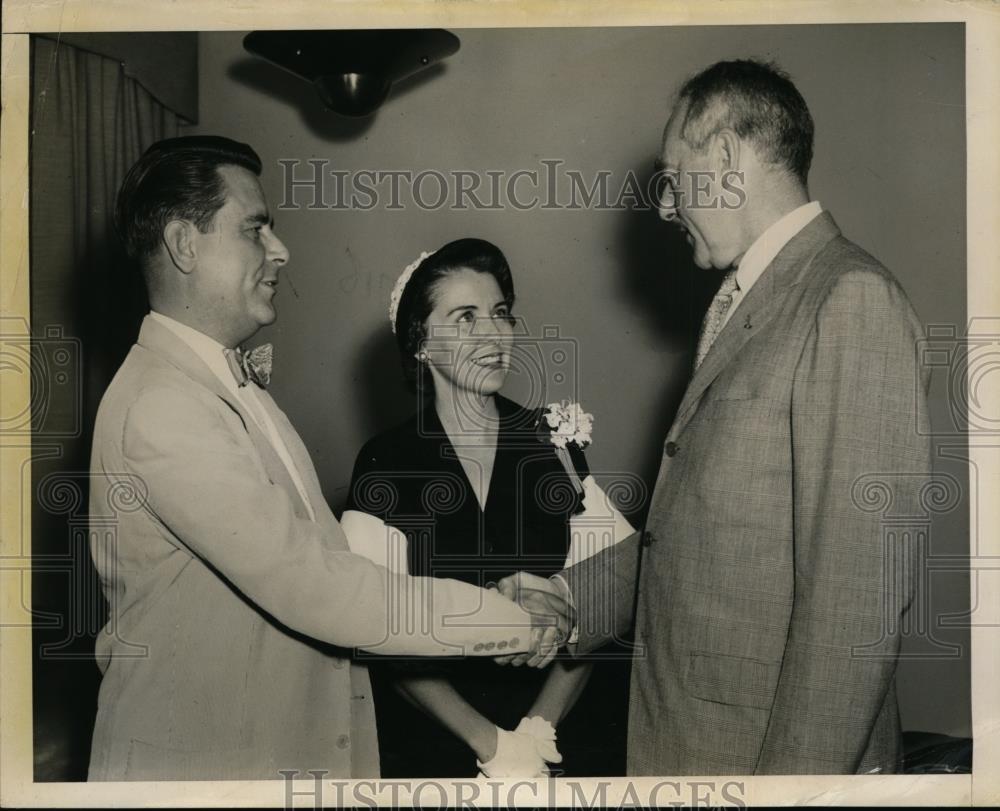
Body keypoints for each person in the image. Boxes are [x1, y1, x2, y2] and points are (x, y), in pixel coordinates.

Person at [86, 136, 567, 781]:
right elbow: (319, 588)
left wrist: (499, 589)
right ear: (184, 244)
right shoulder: (164, 407)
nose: (280, 251)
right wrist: (515, 619)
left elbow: (332, 560)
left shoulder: (231, 389)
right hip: (200, 766)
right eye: (256, 229)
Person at [500, 59, 932, 775]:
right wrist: (568, 597)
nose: (665, 207)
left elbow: (856, 606)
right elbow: (697, 540)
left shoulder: (848, 298)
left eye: (672, 177)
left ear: (726, 158)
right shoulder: (747, 301)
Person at [341, 238, 635, 777]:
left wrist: (537, 732)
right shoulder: (386, 461)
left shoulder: (552, 440)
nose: (493, 334)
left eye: (500, 314)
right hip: (440, 752)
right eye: (465, 317)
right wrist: (492, 746)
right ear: (420, 343)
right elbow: (375, 628)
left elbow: (611, 591)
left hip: (559, 739)